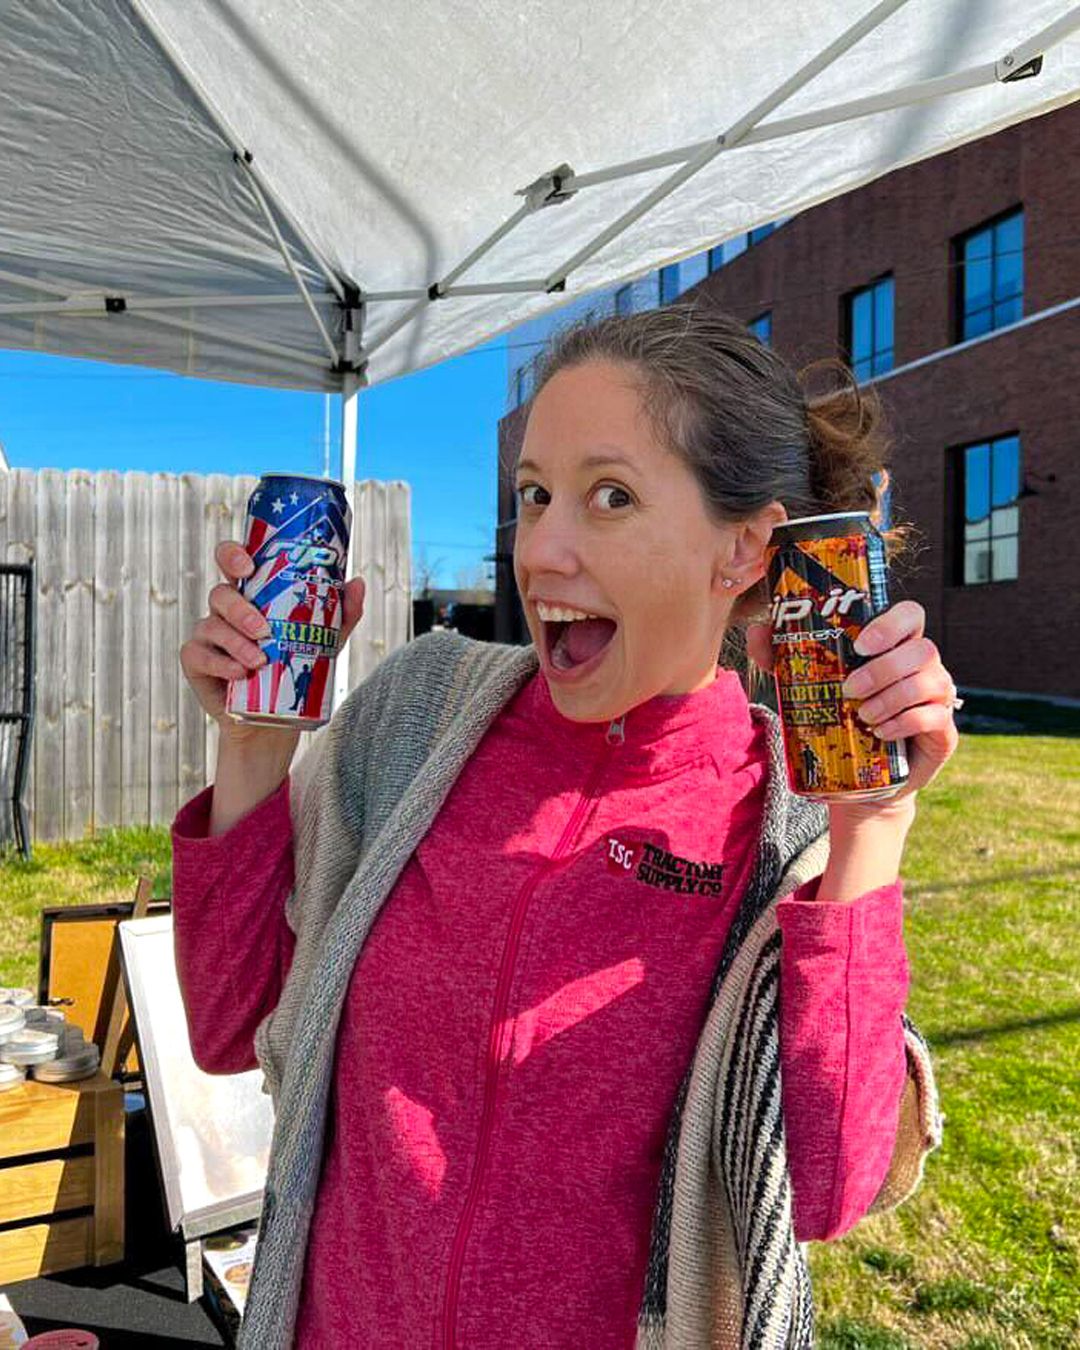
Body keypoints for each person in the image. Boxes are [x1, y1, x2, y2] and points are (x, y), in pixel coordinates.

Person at [175, 304, 957, 1350]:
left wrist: (873, 826)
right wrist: (253, 744)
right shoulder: (417, 716)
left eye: (610, 497)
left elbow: (826, 1193)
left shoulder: (788, 827)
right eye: (535, 494)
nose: (540, 550)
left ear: (744, 549)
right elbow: (230, 1027)